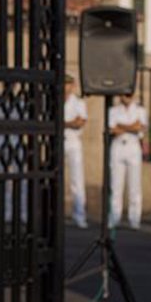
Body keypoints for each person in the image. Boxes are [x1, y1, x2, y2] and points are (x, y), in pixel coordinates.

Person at [105, 86, 146, 230]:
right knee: (116, 185)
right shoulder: (113, 111)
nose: (127, 97)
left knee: (134, 185)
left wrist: (122, 126)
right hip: (118, 146)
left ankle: (134, 218)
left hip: (133, 146)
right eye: (124, 94)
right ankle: (114, 217)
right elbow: (112, 129)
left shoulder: (140, 111)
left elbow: (139, 127)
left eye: (129, 94)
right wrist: (131, 126)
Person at [61, 75, 88, 228]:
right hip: (59, 142)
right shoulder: (55, 100)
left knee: (76, 180)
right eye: (64, 84)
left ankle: (79, 215)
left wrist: (64, 123)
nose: (66, 87)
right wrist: (70, 122)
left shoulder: (78, 102)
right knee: (57, 178)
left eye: (69, 84)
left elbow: (80, 122)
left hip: (73, 141)